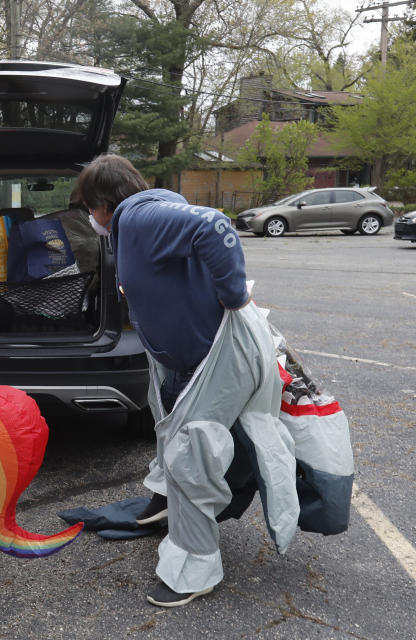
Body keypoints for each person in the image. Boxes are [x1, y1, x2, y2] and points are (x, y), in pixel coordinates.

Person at [74, 154, 300, 607]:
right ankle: (162, 506)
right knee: (171, 437)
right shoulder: (140, 220)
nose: (91, 220)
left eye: (88, 209)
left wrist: (233, 293)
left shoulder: (139, 215)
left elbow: (214, 225)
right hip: (187, 361)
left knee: (190, 453)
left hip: (215, 358)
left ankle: (196, 567)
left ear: (103, 202)